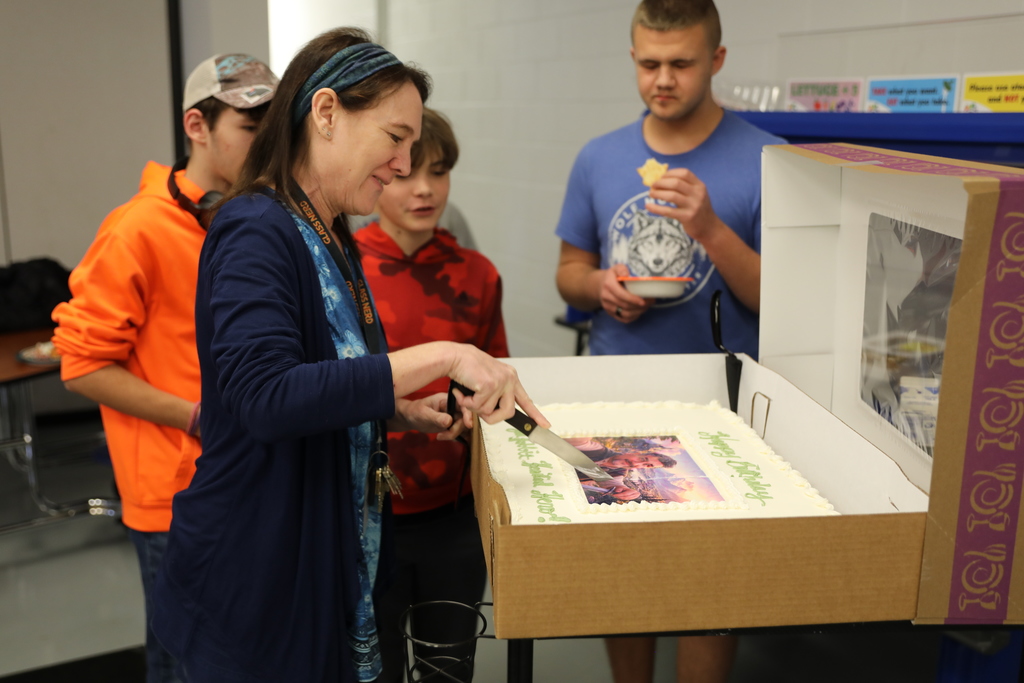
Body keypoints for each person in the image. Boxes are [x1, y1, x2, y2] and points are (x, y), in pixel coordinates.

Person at [150, 28, 545, 683]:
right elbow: (266, 398)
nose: (402, 165)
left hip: (318, 554)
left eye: (417, 149)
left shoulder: (327, 233)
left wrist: (395, 406)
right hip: (259, 568)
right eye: (395, 140)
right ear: (326, 112)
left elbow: (323, 378)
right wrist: (445, 353)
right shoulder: (257, 229)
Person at [553, 0, 784, 681]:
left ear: (715, 60)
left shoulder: (768, 158)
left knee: (710, 584)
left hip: (722, 405)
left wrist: (709, 226)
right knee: (622, 576)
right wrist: (600, 286)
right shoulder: (599, 157)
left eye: (681, 64)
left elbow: (780, 300)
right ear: (632, 59)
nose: (663, 79)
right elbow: (567, 274)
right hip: (613, 397)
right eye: (649, 64)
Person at [51, 53, 278, 683]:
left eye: (274, 127)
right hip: (173, 497)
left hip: (247, 480)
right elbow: (80, 366)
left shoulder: (254, 221)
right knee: (185, 661)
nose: (266, 144)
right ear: (197, 127)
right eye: (250, 127)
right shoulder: (138, 230)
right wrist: (197, 417)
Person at [353, 107, 506, 682]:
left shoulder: (478, 274)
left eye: (438, 173)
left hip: (454, 515)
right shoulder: (346, 271)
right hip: (367, 516)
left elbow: (498, 382)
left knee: (450, 667)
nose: (424, 190)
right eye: (407, 173)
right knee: (377, 668)